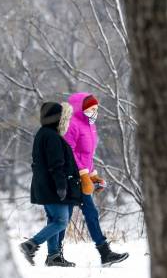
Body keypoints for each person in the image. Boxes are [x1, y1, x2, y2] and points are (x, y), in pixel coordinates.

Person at [64, 92, 129, 266]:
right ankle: (46, 250)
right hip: (72, 177)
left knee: (84, 214)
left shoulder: (90, 126)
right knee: (65, 217)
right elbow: (68, 152)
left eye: (96, 109)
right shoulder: (72, 125)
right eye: (91, 109)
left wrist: (93, 175)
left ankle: (104, 253)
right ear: (80, 108)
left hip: (83, 176)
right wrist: (83, 173)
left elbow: (87, 156)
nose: (95, 112)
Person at [19, 101, 82, 267]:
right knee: (61, 221)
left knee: (54, 219)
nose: (63, 119)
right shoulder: (51, 136)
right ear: (56, 117)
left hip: (45, 186)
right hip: (53, 187)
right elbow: (56, 164)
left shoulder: (44, 133)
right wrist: (61, 185)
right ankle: (30, 245)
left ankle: (54, 256)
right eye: (61, 115)